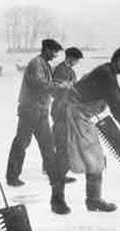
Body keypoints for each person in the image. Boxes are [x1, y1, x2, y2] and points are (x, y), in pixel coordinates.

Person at [50, 45, 120, 214]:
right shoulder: (105, 74)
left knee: (91, 157)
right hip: (70, 115)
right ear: (119, 60)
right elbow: (115, 103)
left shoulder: (109, 73)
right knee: (68, 157)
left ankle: (92, 200)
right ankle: (60, 201)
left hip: (79, 116)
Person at [5, 39, 71, 187]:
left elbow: (47, 87)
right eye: (54, 52)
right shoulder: (36, 63)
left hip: (40, 111)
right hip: (29, 110)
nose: (55, 55)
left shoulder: (44, 64)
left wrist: (61, 91)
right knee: (22, 143)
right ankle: (12, 177)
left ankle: (55, 177)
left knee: (47, 144)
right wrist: (60, 86)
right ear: (46, 49)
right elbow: (40, 84)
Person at [48, 47, 84, 184]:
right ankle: (58, 175)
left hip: (68, 109)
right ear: (69, 58)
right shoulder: (60, 70)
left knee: (62, 140)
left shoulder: (70, 71)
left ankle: (55, 170)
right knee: (62, 141)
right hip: (61, 109)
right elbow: (55, 90)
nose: (77, 62)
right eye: (76, 60)